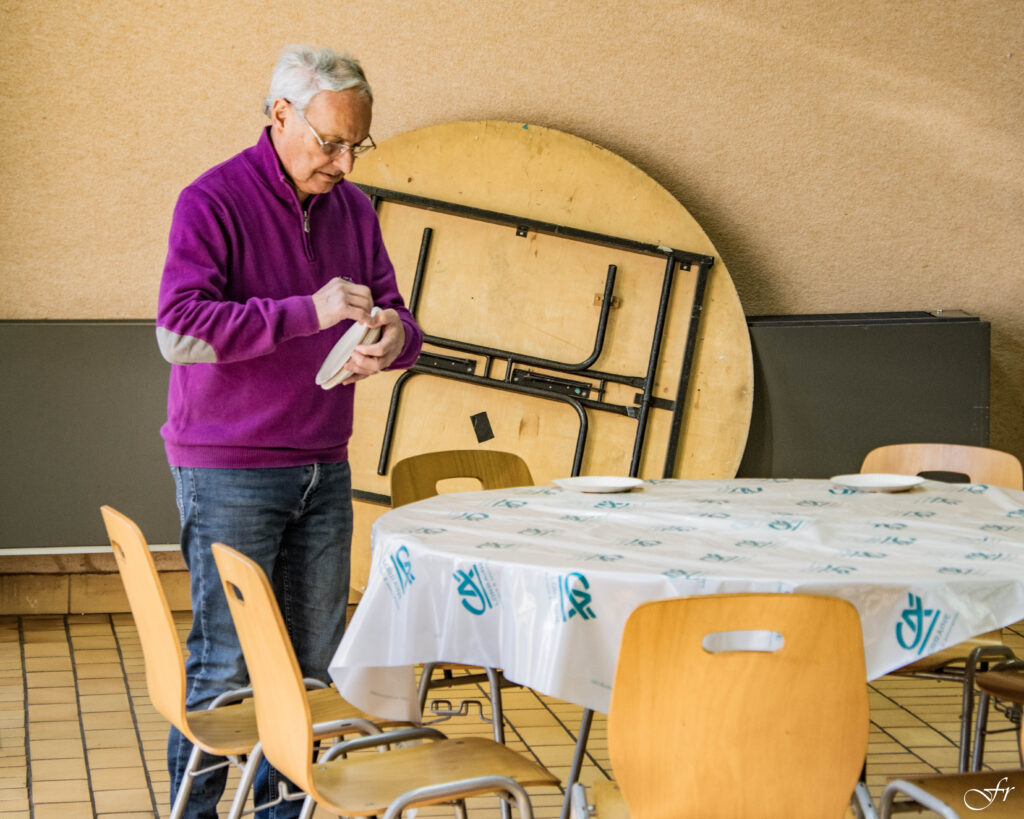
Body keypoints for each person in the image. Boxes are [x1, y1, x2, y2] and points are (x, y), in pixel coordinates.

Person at [155, 44, 423, 818]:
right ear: (281, 115)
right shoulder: (211, 201)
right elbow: (179, 331)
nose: (345, 163)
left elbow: (401, 317)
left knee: (311, 672)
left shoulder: (355, 211)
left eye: (357, 145)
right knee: (228, 669)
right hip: (228, 468)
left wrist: (390, 341)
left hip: (323, 466)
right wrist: (309, 311)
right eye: (331, 142)